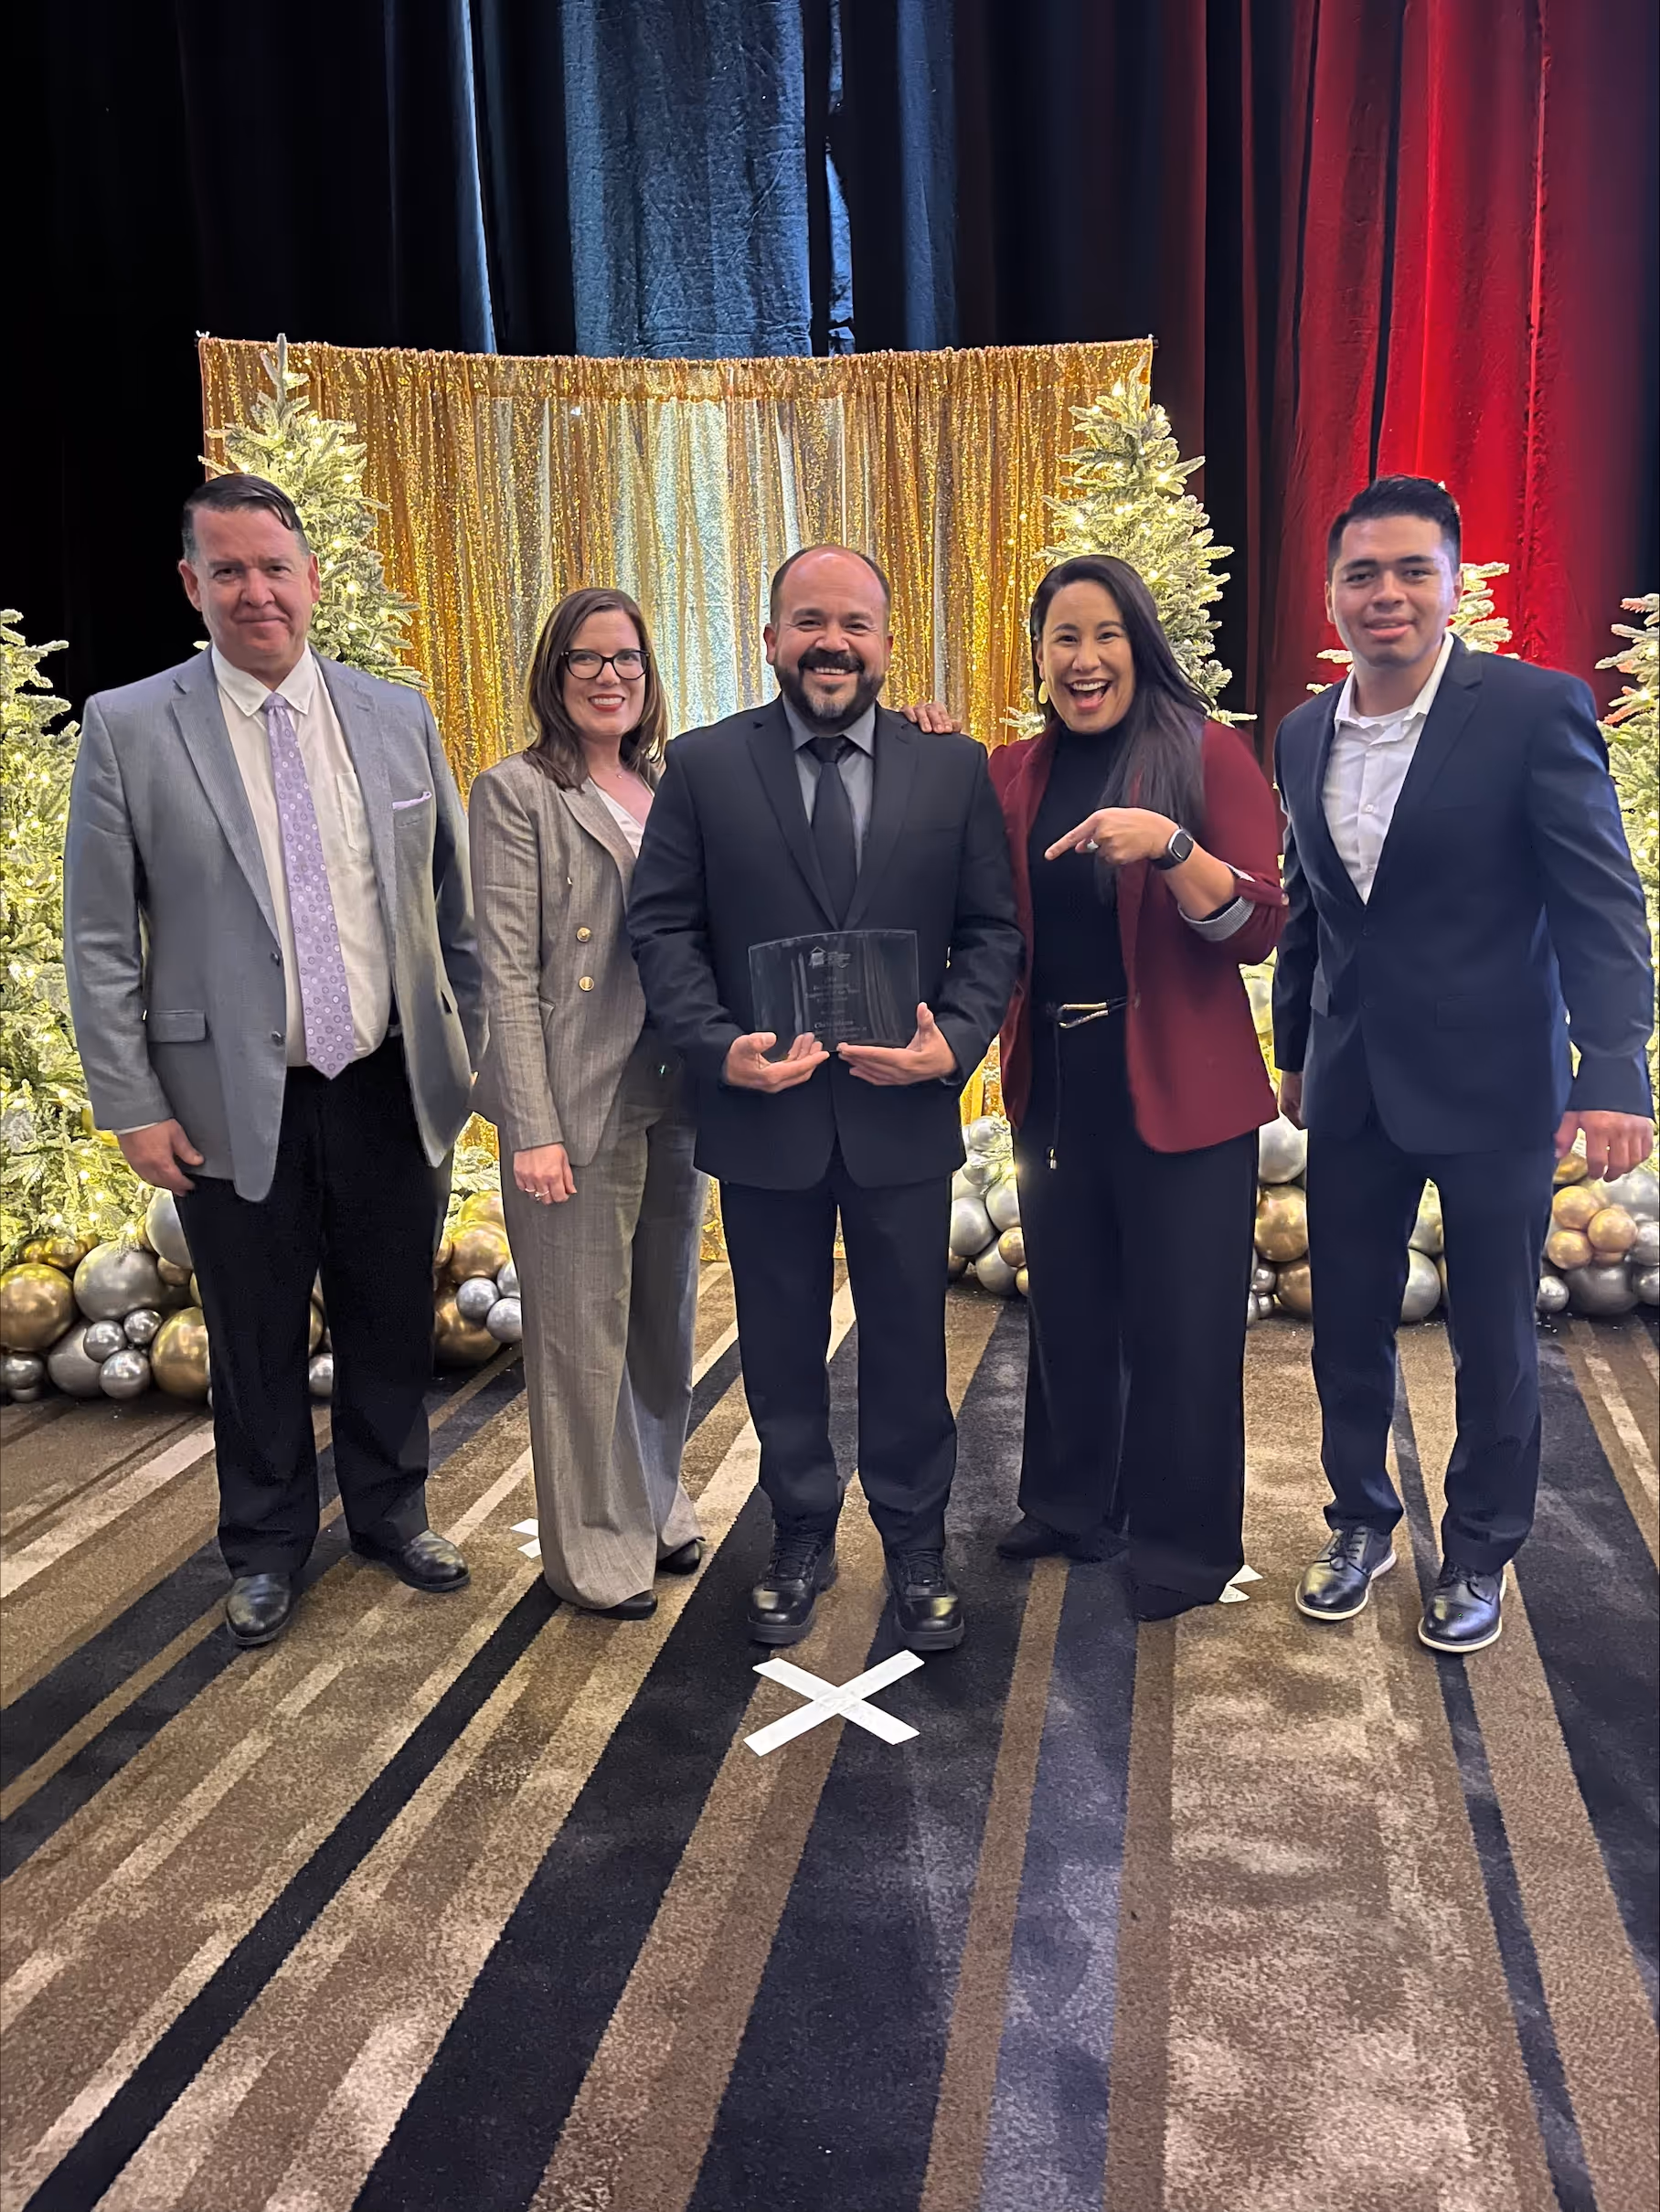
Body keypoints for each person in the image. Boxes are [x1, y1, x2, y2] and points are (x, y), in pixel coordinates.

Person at [64, 473, 484, 1650]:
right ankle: (262, 1544)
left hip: (386, 1081)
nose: (258, 592)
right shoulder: (132, 726)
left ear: (311, 578)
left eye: (275, 566)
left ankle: (393, 1510)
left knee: (391, 1309)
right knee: (251, 1332)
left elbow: (450, 907)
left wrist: (471, 1046)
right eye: (231, 570)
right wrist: (129, 1103)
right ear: (193, 585)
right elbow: (98, 938)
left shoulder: (396, 713)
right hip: (220, 1099)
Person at [1274, 475, 1655, 1654]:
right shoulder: (1300, 731)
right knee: (1346, 1320)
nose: (1383, 594)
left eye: (1409, 571)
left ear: (1450, 587)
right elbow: (1310, 912)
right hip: (1349, 1085)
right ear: (1330, 592)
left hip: (1495, 1085)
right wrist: (1293, 1049)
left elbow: (1598, 900)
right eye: (1360, 573)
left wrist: (1616, 1070)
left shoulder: (1531, 709)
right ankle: (1359, 1519)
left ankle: (1481, 1545)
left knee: (1493, 1329)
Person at [627, 545, 1023, 1651]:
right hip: (763, 1118)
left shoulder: (953, 769)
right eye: (807, 620)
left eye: (854, 622)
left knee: (908, 1343)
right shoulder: (702, 767)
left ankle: (915, 1539)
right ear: (768, 638)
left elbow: (993, 930)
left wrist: (951, 1039)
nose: (831, 641)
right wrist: (717, 1049)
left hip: (902, 1116)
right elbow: (660, 927)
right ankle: (799, 1527)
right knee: (780, 1345)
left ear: (888, 645)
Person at [989, 556, 1286, 1620]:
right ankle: (1071, 1505)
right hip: (1057, 1085)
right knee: (1066, 1307)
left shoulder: (1204, 753)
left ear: (1139, 642)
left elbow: (1259, 921)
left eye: (1105, 634)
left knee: (1183, 1325)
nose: (1084, 658)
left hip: (1184, 1090)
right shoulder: (1011, 771)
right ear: (1037, 655)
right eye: (1063, 637)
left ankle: (1182, 1541)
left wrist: (1167, 847)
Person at [469, 589, 705, 1620]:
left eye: (627, 658)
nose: (610, 676)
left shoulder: (673, 783)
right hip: (576, 1096)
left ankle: (653, 1498)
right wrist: (531, 1126)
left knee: (661, 1319)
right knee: (578, 1335)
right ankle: (593, 1549)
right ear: (552, 675)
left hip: (677, 1086)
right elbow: (507, 974)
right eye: (585, 659)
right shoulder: (516, 791)